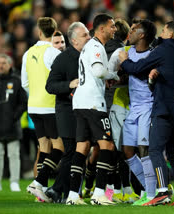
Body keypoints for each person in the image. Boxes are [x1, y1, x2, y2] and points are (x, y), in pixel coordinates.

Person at [119, 20, 174, 206]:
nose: (161, 32)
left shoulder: (163, 49)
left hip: (163, 107)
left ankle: (162, 191)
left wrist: (124, 61)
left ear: (171, 35)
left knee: (155, 149)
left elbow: (136, 68)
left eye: (164, 30)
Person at [66, 13, 118, 206]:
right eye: (112, 26)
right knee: (107, 145)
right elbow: (98, 71)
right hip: (94, 104)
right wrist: (114, 75)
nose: (115, 29)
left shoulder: (89, 47)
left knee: (83, 148)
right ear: (102, 28)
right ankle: (98, 193)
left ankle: (73, 195)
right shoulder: (96, 46)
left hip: (80, 103)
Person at [110, 19, 158, 205]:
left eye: (134, 30)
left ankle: (151, 193)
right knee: (127, 150)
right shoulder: (128, 52)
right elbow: (128, 75)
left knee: (144, 149)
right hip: (132, 107)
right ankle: (150, 188)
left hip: (147, 107)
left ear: (142, 35)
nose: (129, 33)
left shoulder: (153, 55)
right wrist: (117, 79)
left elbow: (141, 73)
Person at [45, 22, 91, 203]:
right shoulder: (63, 59)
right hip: (67, 111)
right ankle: (59, 190)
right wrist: (69, 85)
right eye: (85, 35)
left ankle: (65, 192)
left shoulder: (89, 55)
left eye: (88, 34)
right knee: (72, 151)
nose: (89, 37)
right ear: (74, 40)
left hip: (85, 109)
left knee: (79, 151)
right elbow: (50, 86)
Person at [22, 17, 64, 202]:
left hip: (33, 107)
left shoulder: (27, 53)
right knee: (60, 147)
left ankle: (42, 191)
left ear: (39, 32)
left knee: (44, 147)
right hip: (50, 106)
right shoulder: (53, 53)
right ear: (54, 31)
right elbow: (59, 79)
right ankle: (38, 182)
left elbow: (24, 83)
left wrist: (35, 94)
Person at [0, 54, 27, 192]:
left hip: (12, 126)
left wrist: (14, 117)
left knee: (13, 155)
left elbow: (23, 103)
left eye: (4, 63)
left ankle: (14, 182)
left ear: (10, 65)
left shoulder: (17, 82)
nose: (1, 65)